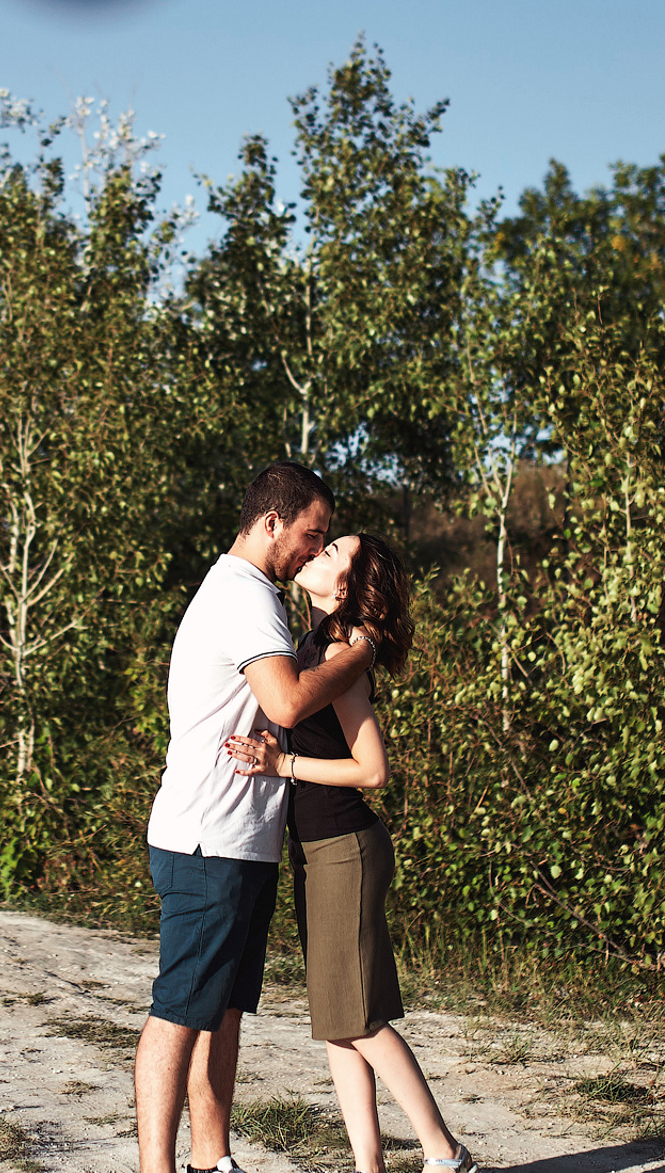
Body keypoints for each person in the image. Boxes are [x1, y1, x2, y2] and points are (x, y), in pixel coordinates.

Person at [135, 462, 384, 1173]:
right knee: (180, 1009)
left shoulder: (249, 594)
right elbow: (285, 702)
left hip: (240, 840)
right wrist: (360, 652)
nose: (314, 548)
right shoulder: (246, 594)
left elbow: (263, 717)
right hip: (207, 838)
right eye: (312, 534)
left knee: (221, 1010)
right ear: (272, 523)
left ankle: (212, 1162)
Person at [224, 533, 477, 1173]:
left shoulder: (339, 654)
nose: (321, 547)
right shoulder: (313, 645)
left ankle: (444, 1152)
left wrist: (282, 763)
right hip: (317, 849)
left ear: (344, 588)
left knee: (357, 1018)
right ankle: (368, 1165)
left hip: (345, 845)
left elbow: (372, 770)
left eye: (335, 549)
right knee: (338, 1018)